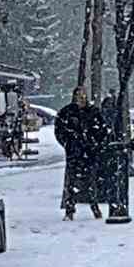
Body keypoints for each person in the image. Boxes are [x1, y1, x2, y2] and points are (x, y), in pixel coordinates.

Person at [57, 88, 105, 220]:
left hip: (89, 152)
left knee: (91, 181)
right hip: (74, 152)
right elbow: (60, 130)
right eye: (78, 95)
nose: (81, 98)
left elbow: (102, 129)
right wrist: (68, 144)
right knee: (71, 182)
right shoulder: (67, 112)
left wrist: (94, 143)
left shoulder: (93, 112)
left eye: (83, 95)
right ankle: (69, 209)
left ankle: (94, 207)